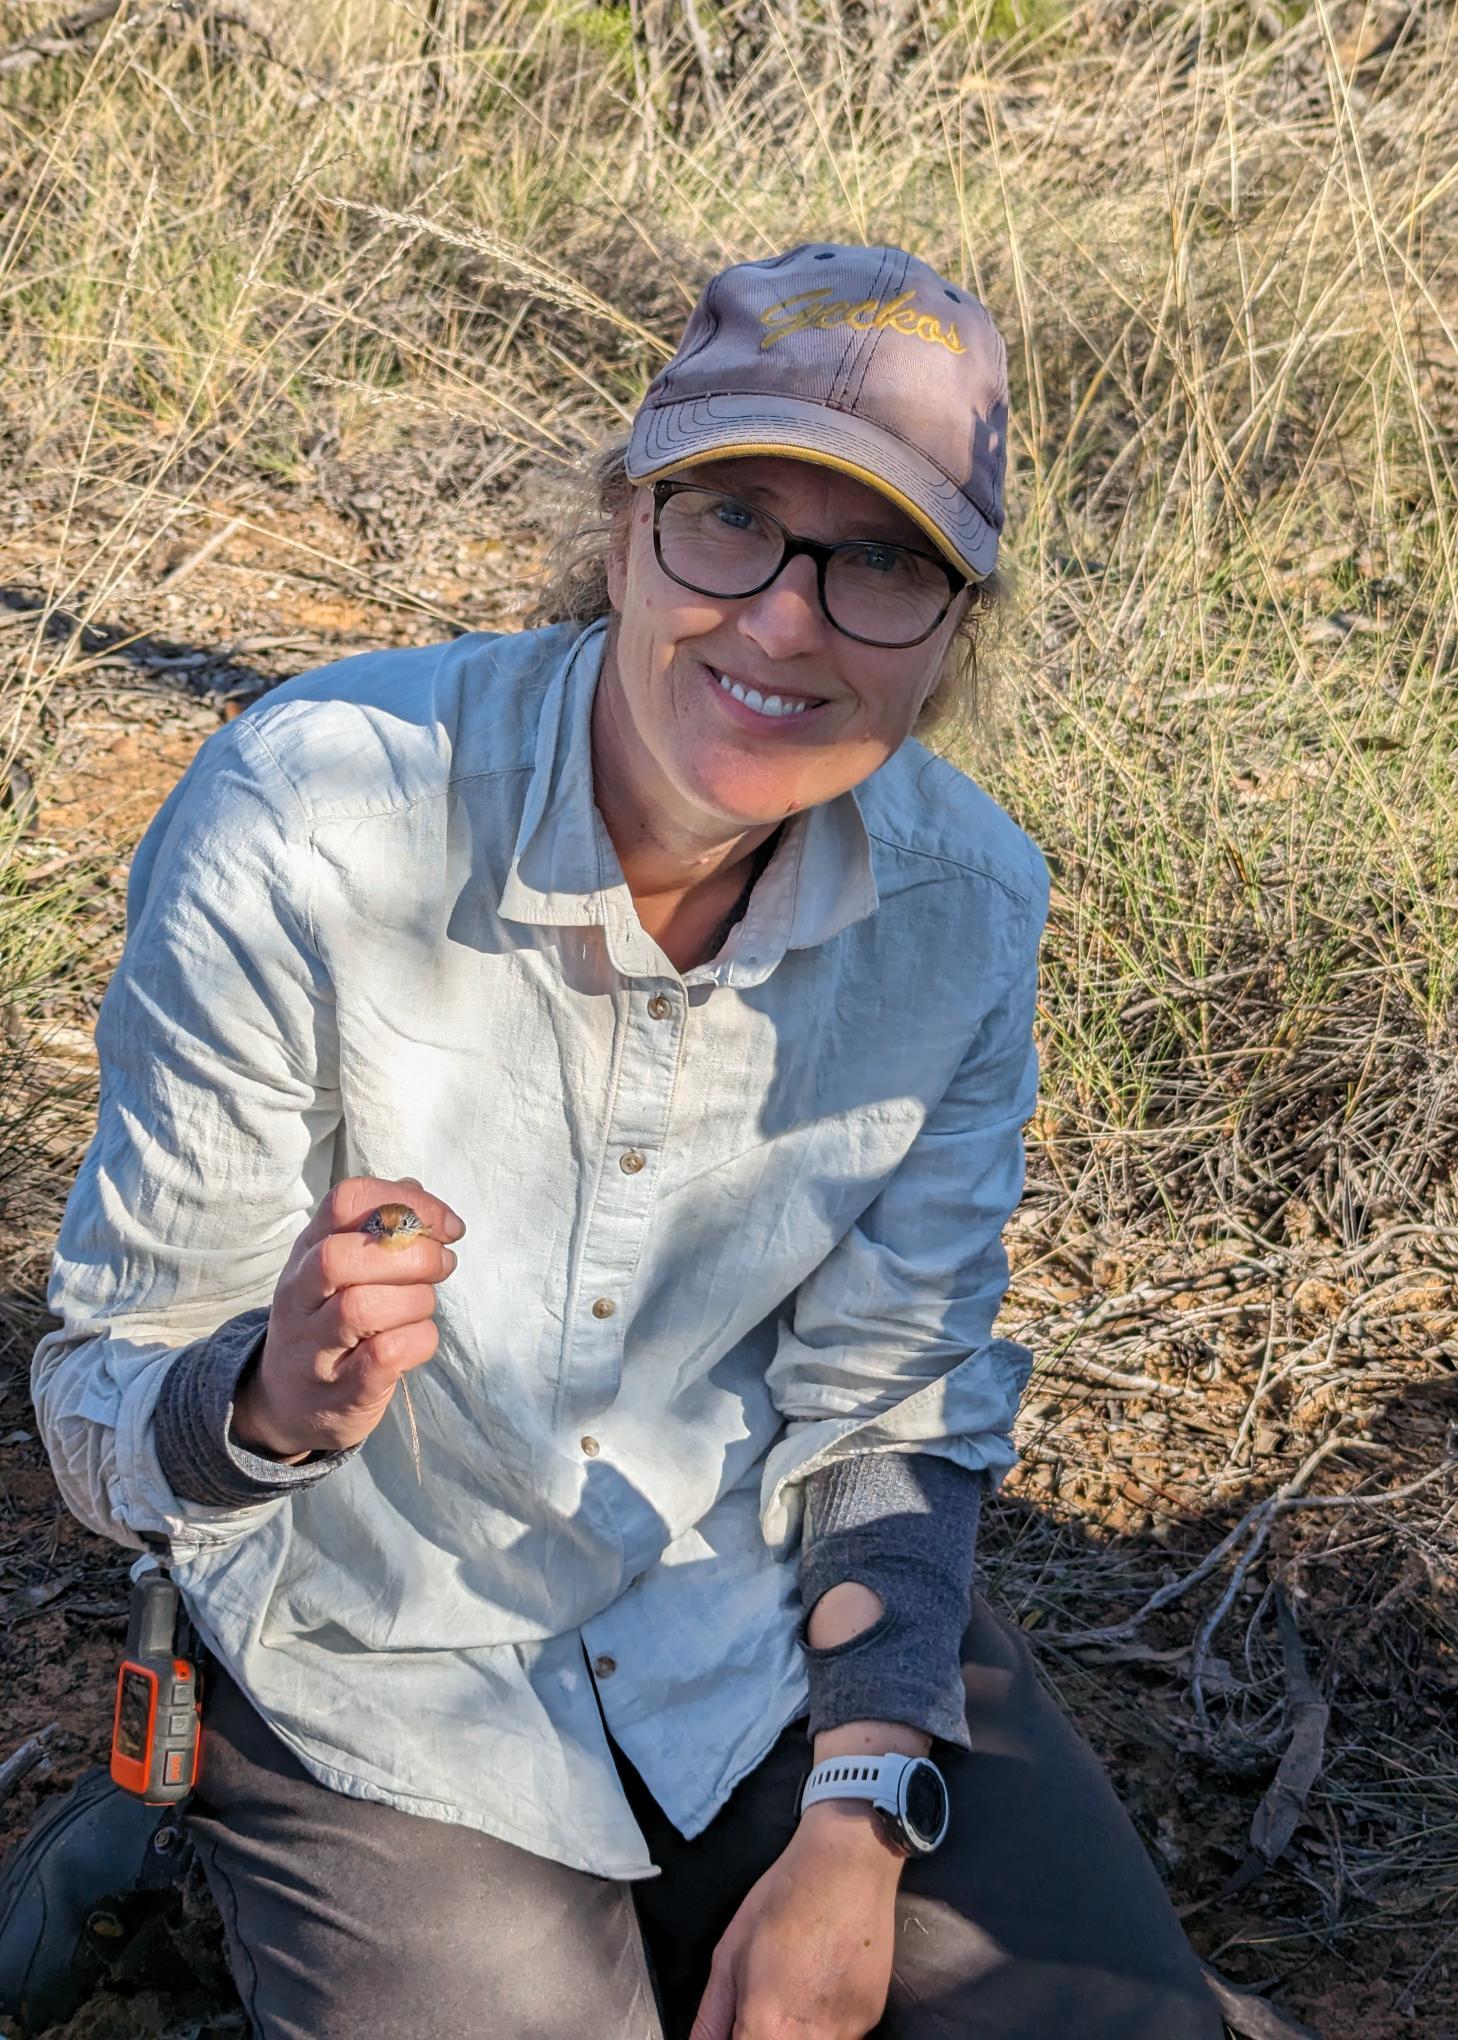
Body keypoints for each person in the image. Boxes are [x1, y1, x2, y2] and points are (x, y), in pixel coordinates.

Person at [32, 243, 1220, 2039]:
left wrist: (859, 1820)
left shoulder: (966, 908)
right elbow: (101, 1403)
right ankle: (189, 1842)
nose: (789, 619)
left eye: (883, 560)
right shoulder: (310, 815)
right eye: (733, 517)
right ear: (625, 525)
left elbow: (891, 1406)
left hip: (748, 1631)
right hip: (378, 1656)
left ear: (954, 632)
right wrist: (271, 1400)